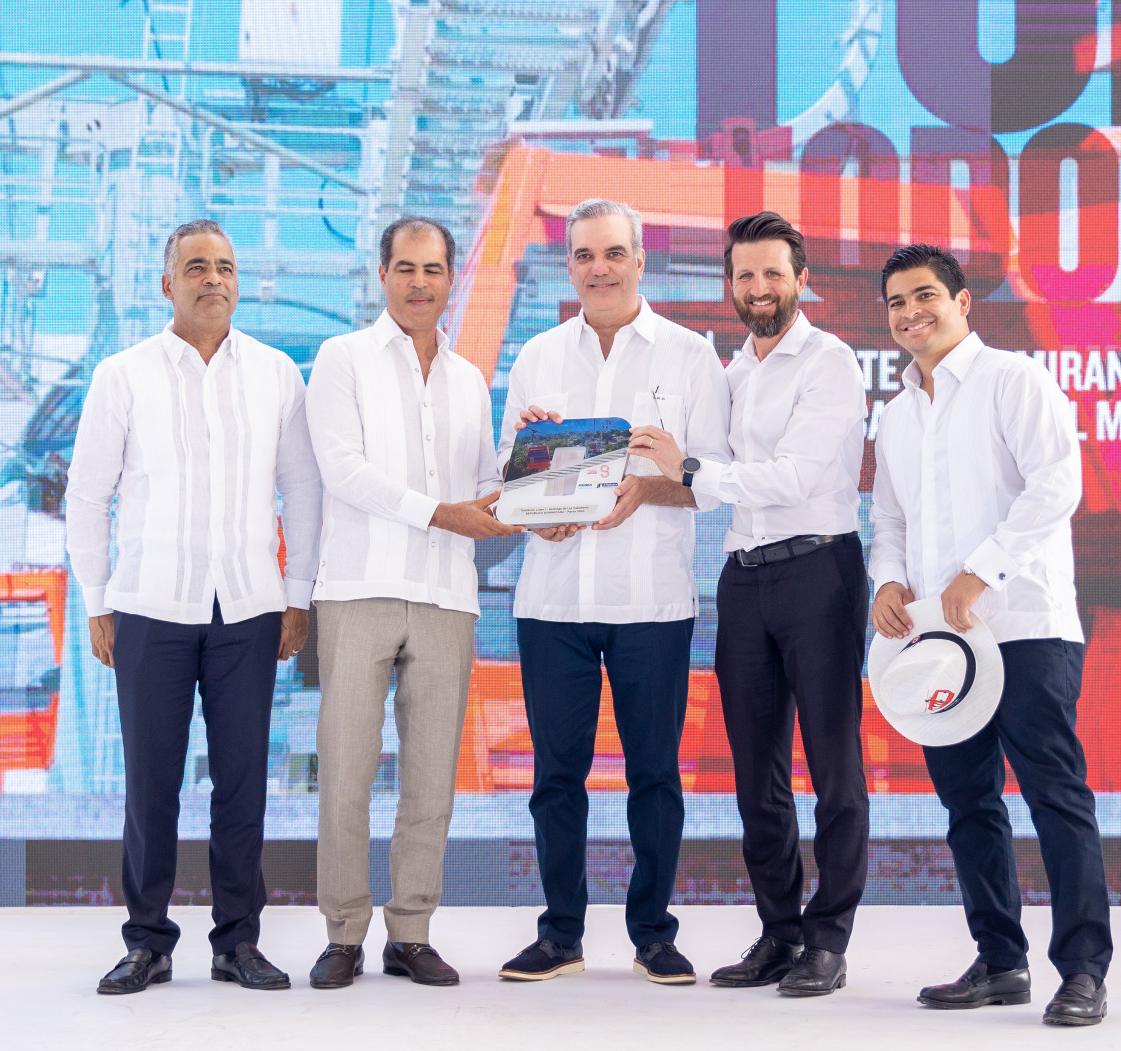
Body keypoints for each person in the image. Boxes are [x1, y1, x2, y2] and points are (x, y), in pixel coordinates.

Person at [67, 218, 320, 996]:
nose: (214, 279)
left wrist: (298, 595)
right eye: (198, 267)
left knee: (243, 784)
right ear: (167, 284)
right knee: (152, 785)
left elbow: (303, 489)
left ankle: (237, 942)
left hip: (249, 606)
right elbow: (87, 495)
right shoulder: (124, 375)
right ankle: (147, 942)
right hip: (149, 607)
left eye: (226, 267)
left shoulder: (277, 373)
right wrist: (98, 601)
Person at [868, 244, 1112, 1027]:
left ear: (963, 301)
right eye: (897, 302)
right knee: (968, 803)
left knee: (1054, 796)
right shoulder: (896, 415)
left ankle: (1083, 971)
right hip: (941, 644)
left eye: (926, 295)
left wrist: (982, 572)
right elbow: (889, 519)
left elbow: (1057, 484)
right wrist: (888, 582)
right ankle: (1000, 961)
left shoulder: (1015, 379)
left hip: (1025, 625)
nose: (912, 312)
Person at [629, 211, 869, 998]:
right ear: (729, 285)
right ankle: (779, 930)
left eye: (772, 273)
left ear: (802, 280)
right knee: (754, 769)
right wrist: (591, 465)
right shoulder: (728, 375)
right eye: (744, 275)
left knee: (833, 765)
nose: (758, 287)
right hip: (744, 578)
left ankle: (828, 941)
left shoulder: (830, 363)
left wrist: (688, 466)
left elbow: (792, 478)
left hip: (820, 571)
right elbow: (699, 484)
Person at [494, 198, 730, 985]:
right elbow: (504, 476)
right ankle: (560, 934)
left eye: (614, 253)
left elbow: (713, 483)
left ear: (640, 260)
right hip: (552, 600)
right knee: (556, 779)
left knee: (653, 776)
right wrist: (532, 490)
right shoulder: (537, 357)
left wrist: (648, 486)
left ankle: (654, 935)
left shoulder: (690, 357)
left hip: (651, 603)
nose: (600, 269)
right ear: (569, 266)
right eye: (585, 255)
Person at [301, 216, 515, 990]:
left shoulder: (470, 380)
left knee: (430, 779)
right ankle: (343, 934)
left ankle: (412, 933)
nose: (420, 282)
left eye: (433, 270)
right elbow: (342, 471)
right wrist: (443, 514)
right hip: (359, 590)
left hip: (446, 596)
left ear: (451, 278)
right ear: (382, 275)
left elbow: (483, 482)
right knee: (346, 773)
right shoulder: (343, 358)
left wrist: (532, 474)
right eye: (406, 268)